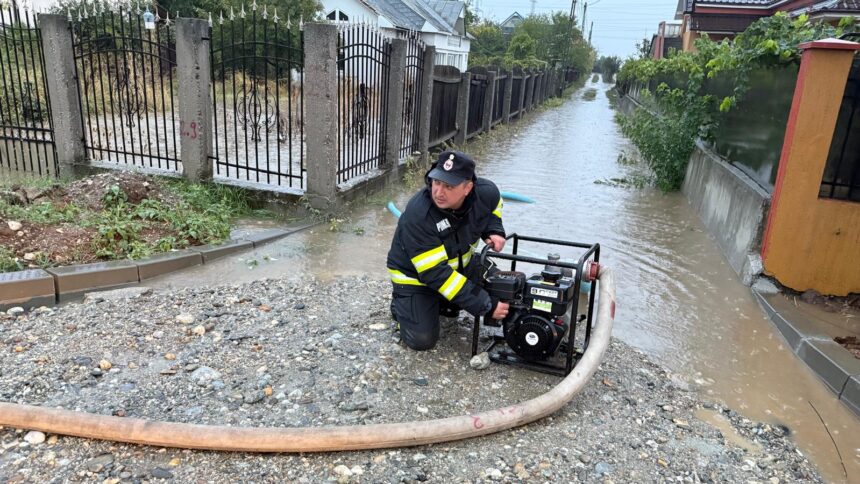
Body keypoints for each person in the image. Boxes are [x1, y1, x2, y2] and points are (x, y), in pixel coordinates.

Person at [386, 150, 510, 350]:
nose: (438, 192)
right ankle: (402, 306)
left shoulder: (486, 192)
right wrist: (486, 305)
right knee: (422, 340)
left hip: (461, 265)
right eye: (436, 182)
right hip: (416, 278)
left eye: (449, 186)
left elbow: (495, 205)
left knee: (507, 286)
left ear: (468, 187)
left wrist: (493, 229)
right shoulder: (420, 214)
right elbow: (434, 273)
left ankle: (444, 302)